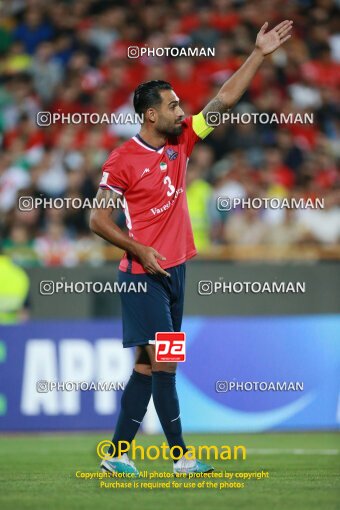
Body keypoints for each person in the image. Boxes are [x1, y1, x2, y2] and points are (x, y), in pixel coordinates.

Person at [89, 20, 293, 476]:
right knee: (163, 365)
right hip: (143, 277)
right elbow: (97, 219)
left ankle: (116, 453)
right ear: (149, 115)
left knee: (147, 366)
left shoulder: (183, 140)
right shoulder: (122, 160)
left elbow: (224, 101)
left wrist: (258, 55)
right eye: (173, 106)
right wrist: (137, 248)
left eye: (181, 104)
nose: (182, 111)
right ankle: (180, 458)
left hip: (176, 271)